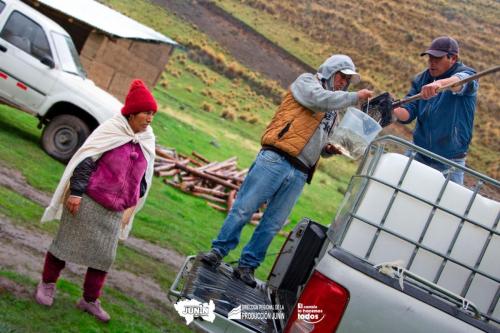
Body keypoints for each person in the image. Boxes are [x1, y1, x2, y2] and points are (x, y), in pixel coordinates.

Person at [201, 54, 373, 287]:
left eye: (347, 80)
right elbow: (316, 99)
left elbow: (320, 140)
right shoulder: (307, 83)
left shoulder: (334, 110)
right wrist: (354, 98)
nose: (344, 82)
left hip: (301, 171)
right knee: (245, 208)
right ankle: (218, 252)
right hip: (276, 158)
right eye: (342, 76)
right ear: (330, 72)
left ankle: (247, 267)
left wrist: (330, 149)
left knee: (272, 223)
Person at [35, 79, 157, 322]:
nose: (150, 119)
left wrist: (131, 207)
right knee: (64, 245)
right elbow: (86, 160)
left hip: (116, 210)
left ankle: (89, 300)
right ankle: (47, 284)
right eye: (146, 113)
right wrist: (77, 193)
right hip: (89, 201)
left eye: (153, 114)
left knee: (104, 258)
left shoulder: (147, 139)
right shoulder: (111, 130)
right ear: (132, 113)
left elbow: (144, 178)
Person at [393, 36, 478, 184]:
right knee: (395, 189)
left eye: (437, 59)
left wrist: (439, 84)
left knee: (447, 205)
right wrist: (390, 109)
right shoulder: (421, 80)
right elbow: (408, 113)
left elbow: (460, 81)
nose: (432, 63)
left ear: (453, 58)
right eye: (430, 58)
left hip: (450, 162)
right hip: (419, 153)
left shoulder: (467, 75)